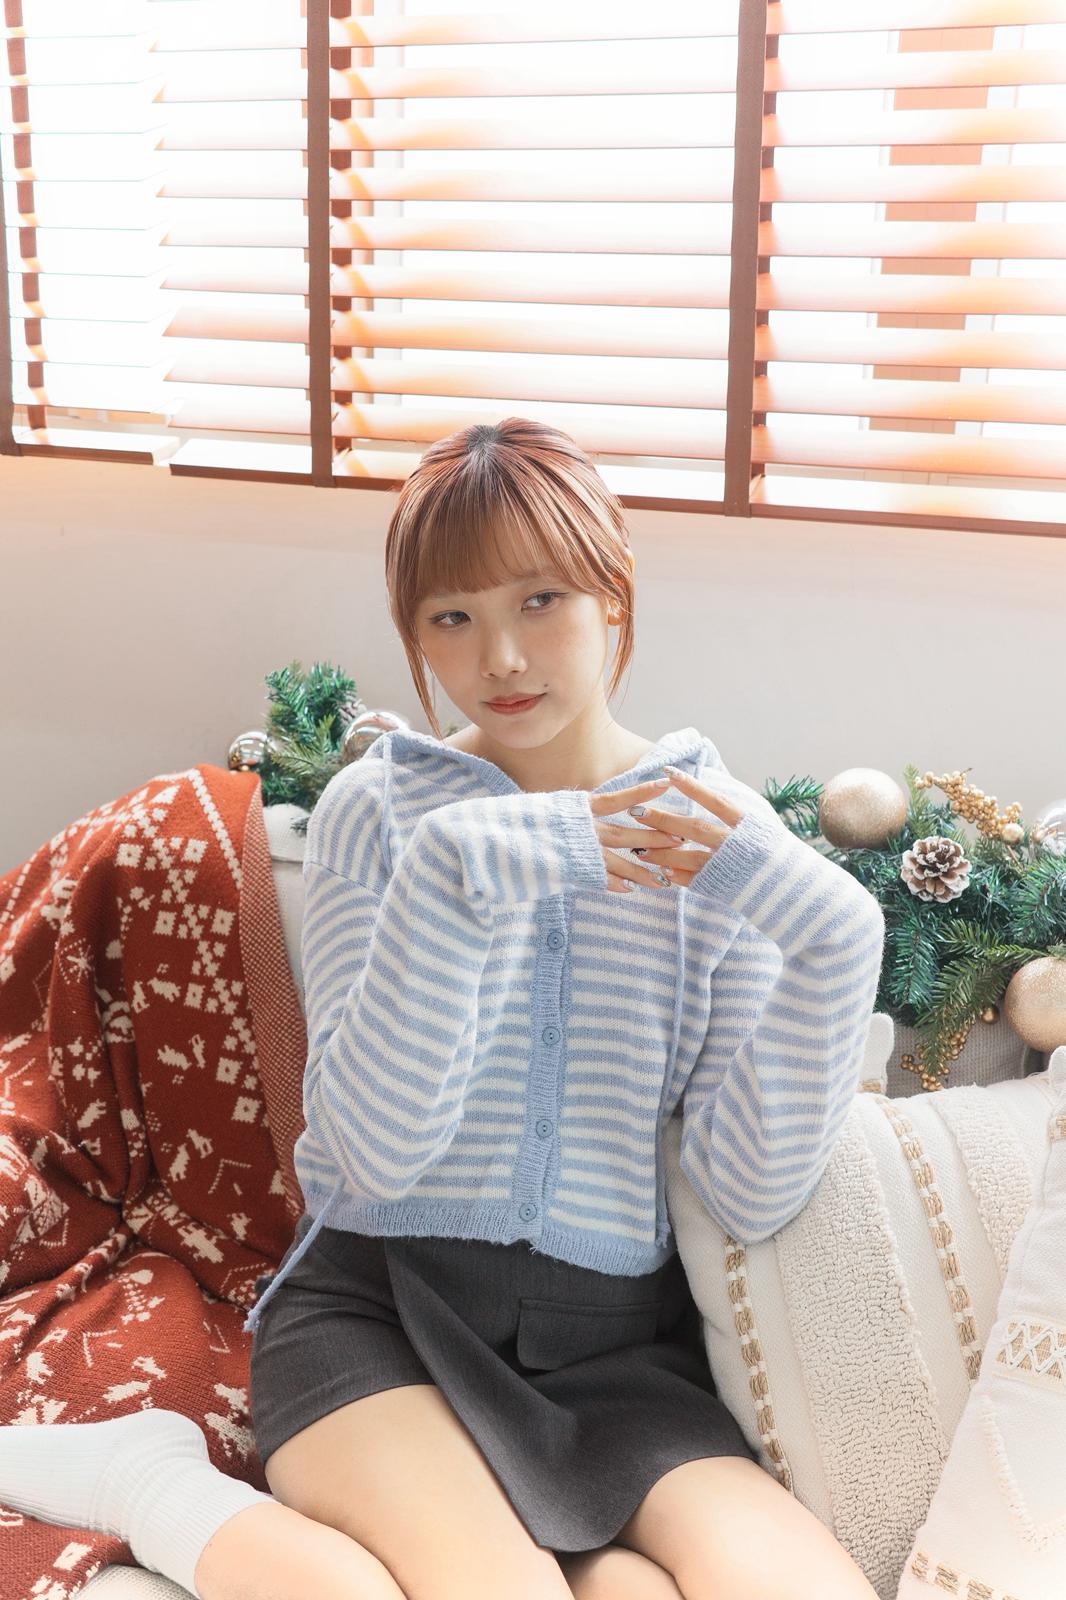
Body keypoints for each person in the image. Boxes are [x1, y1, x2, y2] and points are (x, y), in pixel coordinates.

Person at [0, 418, 884, 1600]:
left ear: (613, 594)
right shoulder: (383, 814)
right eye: (451, 618)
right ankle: (148, 1483)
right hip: (377, 1313)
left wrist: (835, 931)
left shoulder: (711, 835)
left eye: (540, 601)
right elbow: (368, 1156)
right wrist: (457, 871)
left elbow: (746, 1190)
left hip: (615, 1351)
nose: (500, 657)